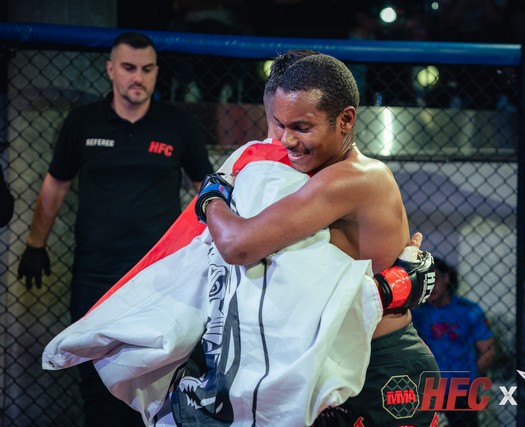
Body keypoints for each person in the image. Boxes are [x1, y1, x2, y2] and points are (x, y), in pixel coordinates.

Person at [201, 53, 440, 426]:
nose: (287, 139)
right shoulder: (301, 175)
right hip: (330, 359)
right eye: (280, 125)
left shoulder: (354, 177)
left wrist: (211, 197)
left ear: (345, 120)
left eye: (302, 127)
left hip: (381, 363)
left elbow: (236, 245)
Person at [19, 31, 213, 427]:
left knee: (158, 379)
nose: (138, 77)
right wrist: (35, 244)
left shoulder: (177, 124)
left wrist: (205, 250)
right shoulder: (83, 121)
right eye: (128, 68)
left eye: (147, 69)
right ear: (111, 70)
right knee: (95, 382)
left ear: (156, 72)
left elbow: (207, 190)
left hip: (158, 275)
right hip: (95, 272)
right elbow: (56, 183)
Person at [411, 257, 495, 427]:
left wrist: (467, 376)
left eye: (435, 279)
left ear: (447, 278)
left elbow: (489, 351)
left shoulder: (469, 311)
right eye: (425, 282)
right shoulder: (416, 314)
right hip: (426, 389)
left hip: (461, 390)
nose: (431, 286)